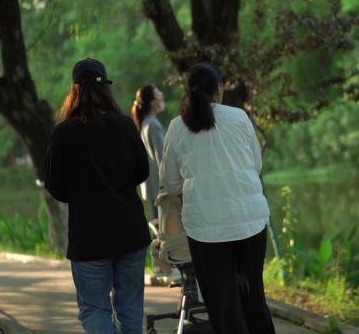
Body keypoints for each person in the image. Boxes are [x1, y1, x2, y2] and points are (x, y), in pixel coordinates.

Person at [159, 62, 276, 334]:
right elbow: (255, 166)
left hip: (206, 229)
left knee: (223, 304)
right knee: (254, 296)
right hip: (250, 221)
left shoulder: (177, 127)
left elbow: (170, 182)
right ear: (220, 89)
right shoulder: (239, 117)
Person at [43, 58, 151, 334]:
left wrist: (81, 194)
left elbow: (54, 185)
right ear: (107, 89)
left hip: (88, 236)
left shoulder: (63, 134)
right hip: (130, 232)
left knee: (94, 309)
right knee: (130, 307)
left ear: (74, 91)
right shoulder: (125, 125)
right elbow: (142, 171)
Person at [131, 84, 166, 220]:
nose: (161, 96)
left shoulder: (145, 123)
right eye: (158, 94)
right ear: (152, 102)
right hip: (161, 188)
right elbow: (162, 159)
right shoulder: (154, 125)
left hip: (152, 187)